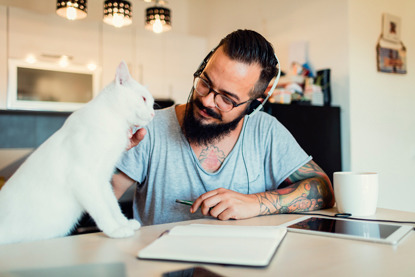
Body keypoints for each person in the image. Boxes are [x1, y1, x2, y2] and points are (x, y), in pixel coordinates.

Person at [112, 29, 334, 226]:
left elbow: (323, 189)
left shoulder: (266, 132)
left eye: (226, 99)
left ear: (253, 105)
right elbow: (92, 196)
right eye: (205, 82)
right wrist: (104, 150)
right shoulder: (148, 129)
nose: (208, 101)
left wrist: (255, 203)